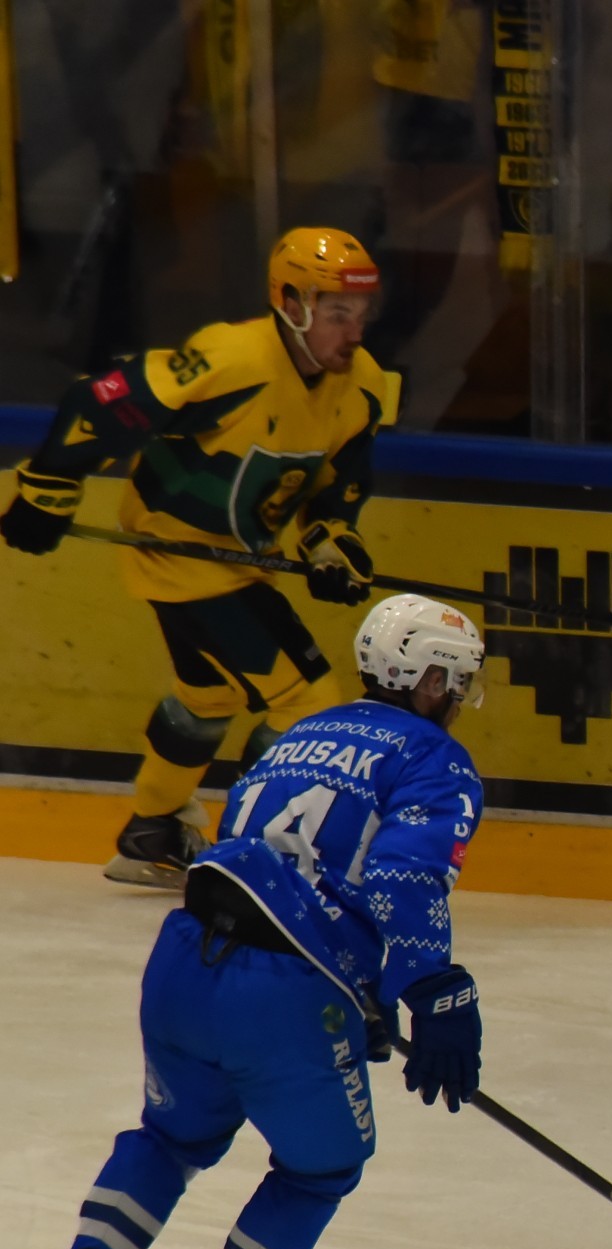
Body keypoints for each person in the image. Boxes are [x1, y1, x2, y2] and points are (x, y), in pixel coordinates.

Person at [8, 594, 489, 1249]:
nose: (458, 699)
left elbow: (257, 852)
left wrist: (364, 990)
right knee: (322, 1166)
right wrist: (434, 992)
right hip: (284, 998)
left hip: (185, 961)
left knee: (168, 1140)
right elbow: (403, 878)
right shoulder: (433, 758)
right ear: (432, 679)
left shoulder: (302, 734)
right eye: (457, 682)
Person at [0, 227, 395, 888]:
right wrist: (48, 489)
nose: (353, 332)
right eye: (337, 313)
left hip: (242, 562)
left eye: (361, 313)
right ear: (291, 304)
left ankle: (153, 832)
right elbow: (99, 403)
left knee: (208, 697)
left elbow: (335, 492)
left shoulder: (363, 386)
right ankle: (253, 854)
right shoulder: (231, 360)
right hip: (180, 557)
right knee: (306, 701)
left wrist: (331, 545)